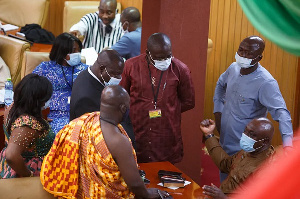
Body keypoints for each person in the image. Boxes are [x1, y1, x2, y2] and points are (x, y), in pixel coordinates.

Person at [40, 85, 169, 198]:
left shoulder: (84, 122)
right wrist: (148, 194)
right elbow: (135, 184)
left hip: (82, 193)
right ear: (124, 108)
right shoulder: (119, 141)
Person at [213, 36, 293, 181]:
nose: (242, 55)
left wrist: (288, 147)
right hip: (225, 141)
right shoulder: (233, 68)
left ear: (258, 57)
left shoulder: (266, 82)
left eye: (248, 53)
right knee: (223, 185)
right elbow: (220, 84)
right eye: (241, 50)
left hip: (245, 149)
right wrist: (217, 111)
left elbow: (282, 114)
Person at [120, 33, 195, 164]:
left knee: (163, 176)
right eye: (159, 58)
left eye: (168, 56)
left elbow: (189, 102)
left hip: (165, 134)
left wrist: (168, 110)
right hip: (137, 131)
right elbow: (122, 95)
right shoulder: (131, 66)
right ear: (148, 53)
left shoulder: (181, 69)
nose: (165, 61)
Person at [69, 49, 135, 148]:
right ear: (102, 69)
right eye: (115, 74)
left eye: (120, 74)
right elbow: (98, 134)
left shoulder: (87, 74)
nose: (118, 78)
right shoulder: (86, 99)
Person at [199, 118, 275, 198]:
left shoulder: (267, 168)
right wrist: (209, 135)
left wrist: (223, 198)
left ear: (265, 142)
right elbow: (225, 164)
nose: (245, 135)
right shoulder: (251, 150)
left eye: (251, 134)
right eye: (245, 130)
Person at [0, 74, 55, 178]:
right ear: (37, 101)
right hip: (29, 169)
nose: (46, 102)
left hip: (11, 167)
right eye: (45, 99)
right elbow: (11, 155)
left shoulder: (13, 107)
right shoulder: (28, 125)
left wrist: (41, 121)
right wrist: (29, 175)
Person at [32, 33, 88, 134]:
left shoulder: (84, 69)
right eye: (74, 50)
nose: (77, 53)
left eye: (79, 50)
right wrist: (37, 115)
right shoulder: (45, 68)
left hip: (78, 114)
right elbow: (29, 90)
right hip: (51, 115)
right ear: (62, 51)